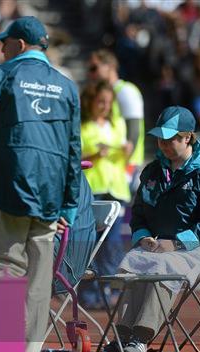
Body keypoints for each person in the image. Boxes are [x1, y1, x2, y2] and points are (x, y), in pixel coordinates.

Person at [0, 16, 81, 352]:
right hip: (50, 197)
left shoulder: (2, 75)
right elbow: (73, 150)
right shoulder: (67, 86)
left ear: (20, 45)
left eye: (3, 44)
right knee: (39, 281)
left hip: (8, 189)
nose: (0, 49)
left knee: (3, 266)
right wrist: (69, 206)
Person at [105, 106, 200, 352]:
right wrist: (143, 237)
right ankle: (122, 335)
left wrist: (176, 244)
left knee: (165, 264)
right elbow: (138, 215)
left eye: (170, 139)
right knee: (135, 260)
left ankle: (140, 339)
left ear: (188, 137)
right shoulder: (152, 171)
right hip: (161, 247)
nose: (164, 144)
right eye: (160, 138)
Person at [78, 80, 131, 309]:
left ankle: (108, 292)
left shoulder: (117, 124)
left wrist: (127, 152)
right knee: (90, 244)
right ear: (91, 102)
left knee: (112, 243)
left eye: (108, 103)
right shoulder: (82, 125)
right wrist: (94, 153)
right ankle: (89, 295)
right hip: (92, 191)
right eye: (101, 101)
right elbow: (76, 155)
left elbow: (123, 158)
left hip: (115, 190)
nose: (105, 106)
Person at [88, 49, 145, 188]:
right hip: (110, 165)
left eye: (94, 68)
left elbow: (134, 128)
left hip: (126, 164)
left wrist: (127, 163)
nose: (91, 73)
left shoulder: (126, 91)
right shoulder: (104, 93)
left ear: (110, 66)